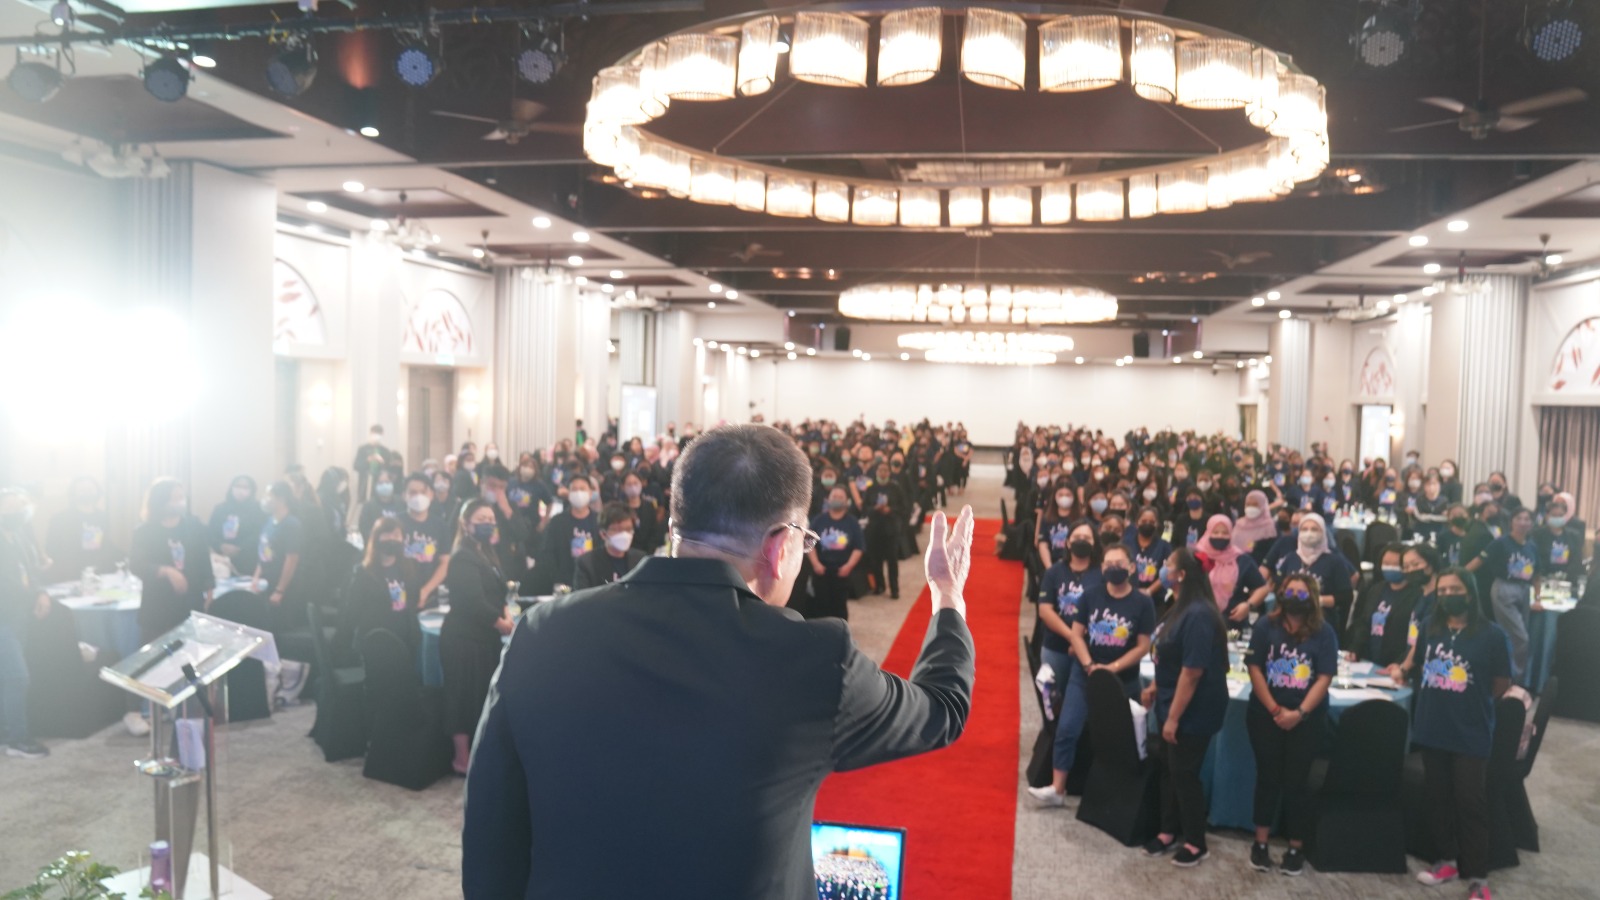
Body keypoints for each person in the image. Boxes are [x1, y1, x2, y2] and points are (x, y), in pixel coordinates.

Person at [462, 424, 976, 899]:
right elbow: (942, 707)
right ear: (780, 546)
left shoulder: (542, 631)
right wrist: (946, 595)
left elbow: (490, 832)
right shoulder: (815, 661)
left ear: (674, 525)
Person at [1386, 569, 1510, 900]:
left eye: (1455, 589)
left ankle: (1478, 878)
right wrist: (1402, 670)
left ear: (1469, 593)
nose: (1447, 595)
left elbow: (1501, 683)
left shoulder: (1493, 635)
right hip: (1432, 727)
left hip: (1471, 732)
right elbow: (1415, 662)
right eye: (1441, 590)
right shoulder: (1431, 627)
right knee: (1437, 797)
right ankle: (1447, 860)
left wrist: (1467, 699)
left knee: (1470, 802)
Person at [1028, 543, 1155, 807]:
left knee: (1120, 737)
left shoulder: (1143, 602)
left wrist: (1112, 669)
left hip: (1123, 677)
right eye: (1108, 564)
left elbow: (1144, 645)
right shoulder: (1090, 594)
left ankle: (1118, 795)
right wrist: (1088, 665)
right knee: (1067, 728)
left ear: (1132, 568)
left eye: (1119, 564)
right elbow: (1076, 633)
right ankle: (1057, 788)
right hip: (1084, 673)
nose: (1113, 569)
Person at [1140, 547, 1229, 867]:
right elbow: (1169, 657)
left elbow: (1192, 673)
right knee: (1169, 769)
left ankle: (1195, 840)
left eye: (1168, 565)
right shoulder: (1178, 607)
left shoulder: (1200, 615)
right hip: (1169, 698)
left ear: (1182, 575)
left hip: (1194, 708)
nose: (1162, 569)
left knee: (1184, 773)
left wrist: (1173, 718)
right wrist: (1154, 686)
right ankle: (1168, 830)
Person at [1244, 572, 1337, 876]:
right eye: (1290, 591)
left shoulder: (1324, 632)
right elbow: (1255, 668)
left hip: (1306, 720)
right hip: (1264, 715)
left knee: (1297, 782)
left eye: (1302, 592)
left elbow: (1324, 677)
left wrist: (1299, 713)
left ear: (1312, 597)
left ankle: (1296, 847)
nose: (1295, 597)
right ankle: (1260, 844)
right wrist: (1274, 709)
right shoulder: (1264, 626)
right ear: (1280, 594)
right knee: (1266, 777)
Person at [442, 499, 516, 775]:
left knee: (478, 697)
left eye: (490, 519)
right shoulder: (463, 555)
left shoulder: (486, 551)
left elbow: (500, 589)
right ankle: (461, 760)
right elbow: (471, 600)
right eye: (481, 519)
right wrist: (501, 623)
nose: (487, 523)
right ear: (465, 523)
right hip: (463, 638)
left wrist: (506, 613)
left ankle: (476, 755)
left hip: (483, 638)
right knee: (461, 697)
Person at [0, 488, 50, 758]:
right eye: (8, 508)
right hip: (3, 617)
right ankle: (19, 739)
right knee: (18, 677)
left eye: (20, 508)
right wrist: (36, 593)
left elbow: (31, 570)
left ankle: (6, 732)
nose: (15, 513)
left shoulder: (19, 537)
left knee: (7, 678)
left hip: (19, 615)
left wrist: (40, 590)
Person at [1466, 507, 1537, 684]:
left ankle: (1510, 676)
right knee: (1520, 637)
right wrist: (1459, 575)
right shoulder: (1501, 543)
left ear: (1531, 523)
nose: (1523, 522)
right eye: (1519, 518)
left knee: (1518, 636)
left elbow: (1537, 574)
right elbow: (1479, 560)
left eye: (1527, 519)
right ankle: (1511, 678)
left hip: (1524, 590)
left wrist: (1538, 597)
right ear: (1511, 522)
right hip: (1504, 588)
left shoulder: (1531, 546)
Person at [344, 517, 424, 654]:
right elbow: (352, 612)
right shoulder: (363, 573)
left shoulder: (409, 568)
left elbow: (413, 600)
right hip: (376, 641)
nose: (392, 539)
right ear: (376, 539)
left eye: (396, 535)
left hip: (407, 640)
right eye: (387, 534)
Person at [1266, 512, 1354, 635]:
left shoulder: (1334, 561)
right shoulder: (1291, 558)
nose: (1309, 533)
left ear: (1323, 532)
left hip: (1321, 624)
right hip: (1289, 622)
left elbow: (1346, 596)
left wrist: (1317, 600)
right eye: (1304, 529)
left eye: (1314, 529)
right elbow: (1279, 586)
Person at [1347, 543, 1422, 667]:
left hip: (1396, 663)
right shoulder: (1376, 589)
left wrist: (1401, 665)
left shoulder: (1417, 594)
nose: (1390, 568)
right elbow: (1364, 622)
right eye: (1386, 563)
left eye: (1395, 564)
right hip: (1369, 660)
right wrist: (1355, 648)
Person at [253, 481, 305, 634]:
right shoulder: (269, 521)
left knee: (279, 629)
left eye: (269, 495)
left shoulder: (291, 524)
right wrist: (255, 578)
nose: (265, 499)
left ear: (281, 499)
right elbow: (263, 553)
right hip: (266, 583)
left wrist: (280, 590)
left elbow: (292, 559)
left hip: (281, 585)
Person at [44, 476, 118, 582]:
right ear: (73, 493)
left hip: (99, 573)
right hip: (69, 575)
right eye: (82, 490)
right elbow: (51, 549)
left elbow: (105, 544)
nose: (87, 492)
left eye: (90, 489)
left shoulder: (102, 516)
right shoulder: (60, 519)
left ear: (97, 492)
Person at [808, 485, 865, 621]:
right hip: (821, 570)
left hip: (842, 571)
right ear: (828, 499)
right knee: (821, 607)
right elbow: (809, 544)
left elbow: (859, 547)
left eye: (841, 497)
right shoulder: (819, 520)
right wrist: (816, 564)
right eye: (834, 496)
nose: (837, 499)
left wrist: (849, 566)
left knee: (839, 607)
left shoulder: (852, 522)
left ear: (846, 501)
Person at [1199, 515, 1265, 624]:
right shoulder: (1197, 557)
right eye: (1215, 532)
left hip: (1231, 622)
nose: (1220, 536)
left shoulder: (1241, 559)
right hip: (1199, 619)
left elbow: (1262, 588)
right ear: (1208, 532)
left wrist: (1248, 605)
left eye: (1225, 533)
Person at [399, 474, 453, 609]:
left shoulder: (441, 526)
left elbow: (444, 563)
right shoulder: (395, 524)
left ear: (431, 495)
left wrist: (425, 591)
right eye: (412, 492)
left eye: (423, 492)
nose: (418, 496)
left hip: (430, 596)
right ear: (404, 495)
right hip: (399, 594)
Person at [539, 475, 600, 591]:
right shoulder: (557, 522)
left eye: (582, 489)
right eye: (574, 489)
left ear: (591, 493)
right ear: (569, 494)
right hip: (564, 582)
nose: (578, 493)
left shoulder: (599, 521)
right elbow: (547, 552)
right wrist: (557, 579)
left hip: (593, 583)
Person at [574, 503, 649, 590]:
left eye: (628, 529)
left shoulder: (642, 560)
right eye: (618, 530)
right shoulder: (587, 563)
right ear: (603, 534)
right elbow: (581, 599)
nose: (624, 534)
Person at [863, 460, 906, 599]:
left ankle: (894, 589)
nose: (882, 473)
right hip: (874, 529)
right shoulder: (871, 488)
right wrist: (875, 509)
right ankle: (880, 585)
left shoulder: (896, 488)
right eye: (880, 470)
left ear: (889, 472)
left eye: (885, 470)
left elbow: (903, 508)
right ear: (876, 472)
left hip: (891, 529)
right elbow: (864, 508)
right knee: (876, 560)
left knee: (892, 560)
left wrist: (890, 509)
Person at [208, 475, 267, 577]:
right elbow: (210, 533)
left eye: (245, 487)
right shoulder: (220, 509)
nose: (241, 490)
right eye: (238, 486)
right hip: (223, 561)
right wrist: (220, 545)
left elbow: (260, 533)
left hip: (249, 561)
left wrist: (240, 548)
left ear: (252, 490)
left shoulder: (259, 509)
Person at [1532, 492, 1585, 585]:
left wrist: (1564, 576)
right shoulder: (1537, 535)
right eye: (1554, 515)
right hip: (1543, 579)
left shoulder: (1574, 536)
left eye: (1560, 515)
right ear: (1547, 516)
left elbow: (1577, 561)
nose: (1557, 518)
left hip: (1567, 581)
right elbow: (1535, 559)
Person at [356, 466, 403, 542]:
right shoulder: (368, 506)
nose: (384, 485)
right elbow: (364, 529)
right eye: (380, 483)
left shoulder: (401, 503)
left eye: (387, 482)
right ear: (375, 485)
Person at [352, 424, 396, 502]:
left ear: (382, 435)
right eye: (374, 433)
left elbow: (390, 469)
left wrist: (382, 462)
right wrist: (368, 460)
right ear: (370, 434)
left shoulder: (385, 451)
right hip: (365, 484)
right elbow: (356, 466)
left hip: (380, 484)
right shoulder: (363, 449)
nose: (376, 436)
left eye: (378, 434)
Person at [1233, 489, 1279, 559]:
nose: (1251, 508)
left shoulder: (1270, 527)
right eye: (1248, 504)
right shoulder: (1239, 524)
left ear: (1262, 506)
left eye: (1255, 505)